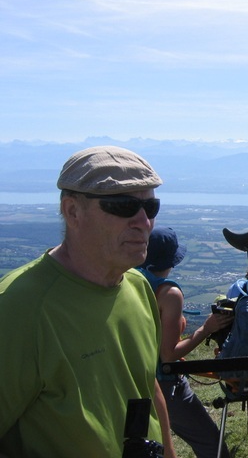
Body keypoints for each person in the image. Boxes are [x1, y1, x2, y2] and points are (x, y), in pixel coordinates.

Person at [0, 145, 176, 457]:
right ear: (72, 212)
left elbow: (148, 388)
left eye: (150, 208)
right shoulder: (18, 306)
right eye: (123, 206)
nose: (143, 222)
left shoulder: (138, 288)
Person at [138, 226, 233, 458]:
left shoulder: (131, 280)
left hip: (133, 379)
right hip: (164, 384)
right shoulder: (168, 293)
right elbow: (169, 355)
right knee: (213, 447)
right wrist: (205, 329)